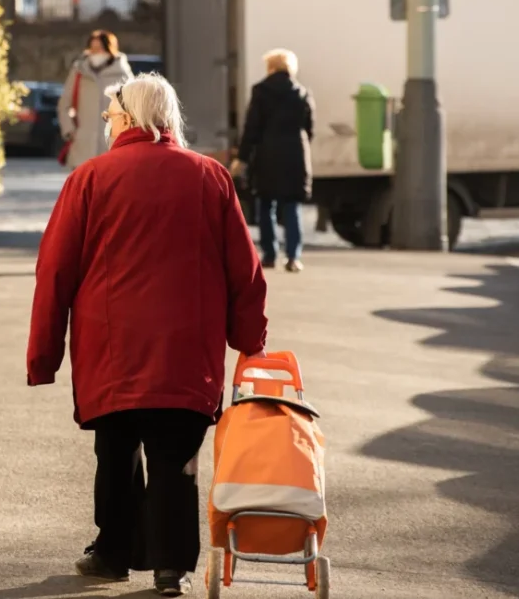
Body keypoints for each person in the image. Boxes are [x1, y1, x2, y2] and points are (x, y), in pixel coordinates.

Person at [28, 73, 269, 597]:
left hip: (110, 349)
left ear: (132, 119)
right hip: (186, 352)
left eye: (111, 115)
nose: (106, 122)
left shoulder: (90, 179)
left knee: (115, 453)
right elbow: (244, 270)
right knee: (175, 458)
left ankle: (113, 553)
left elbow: (55, 272)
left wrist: (43, 356)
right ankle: (170, 568)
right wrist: (250, 341)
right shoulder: (210, 177)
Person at [231, 48, 316, 272]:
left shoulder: (260, 92)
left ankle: (269, 254)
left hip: (267, 154)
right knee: (291, 206)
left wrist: (242, 158)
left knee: (266, 205)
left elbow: (252, 128)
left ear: (271, 67)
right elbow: (309, 128)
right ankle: (293, 256)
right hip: (295, 155)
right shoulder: (302, 92)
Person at [57, 30, 134, 169]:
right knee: (83, 188)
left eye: (99, 48)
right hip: (82, 146)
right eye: (92, 48)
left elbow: (133, 107)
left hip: (113, 146)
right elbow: (64, 104)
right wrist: (70, 131)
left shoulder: (123, 74)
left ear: (110, 49)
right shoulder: (79, 72)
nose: (96, 52)